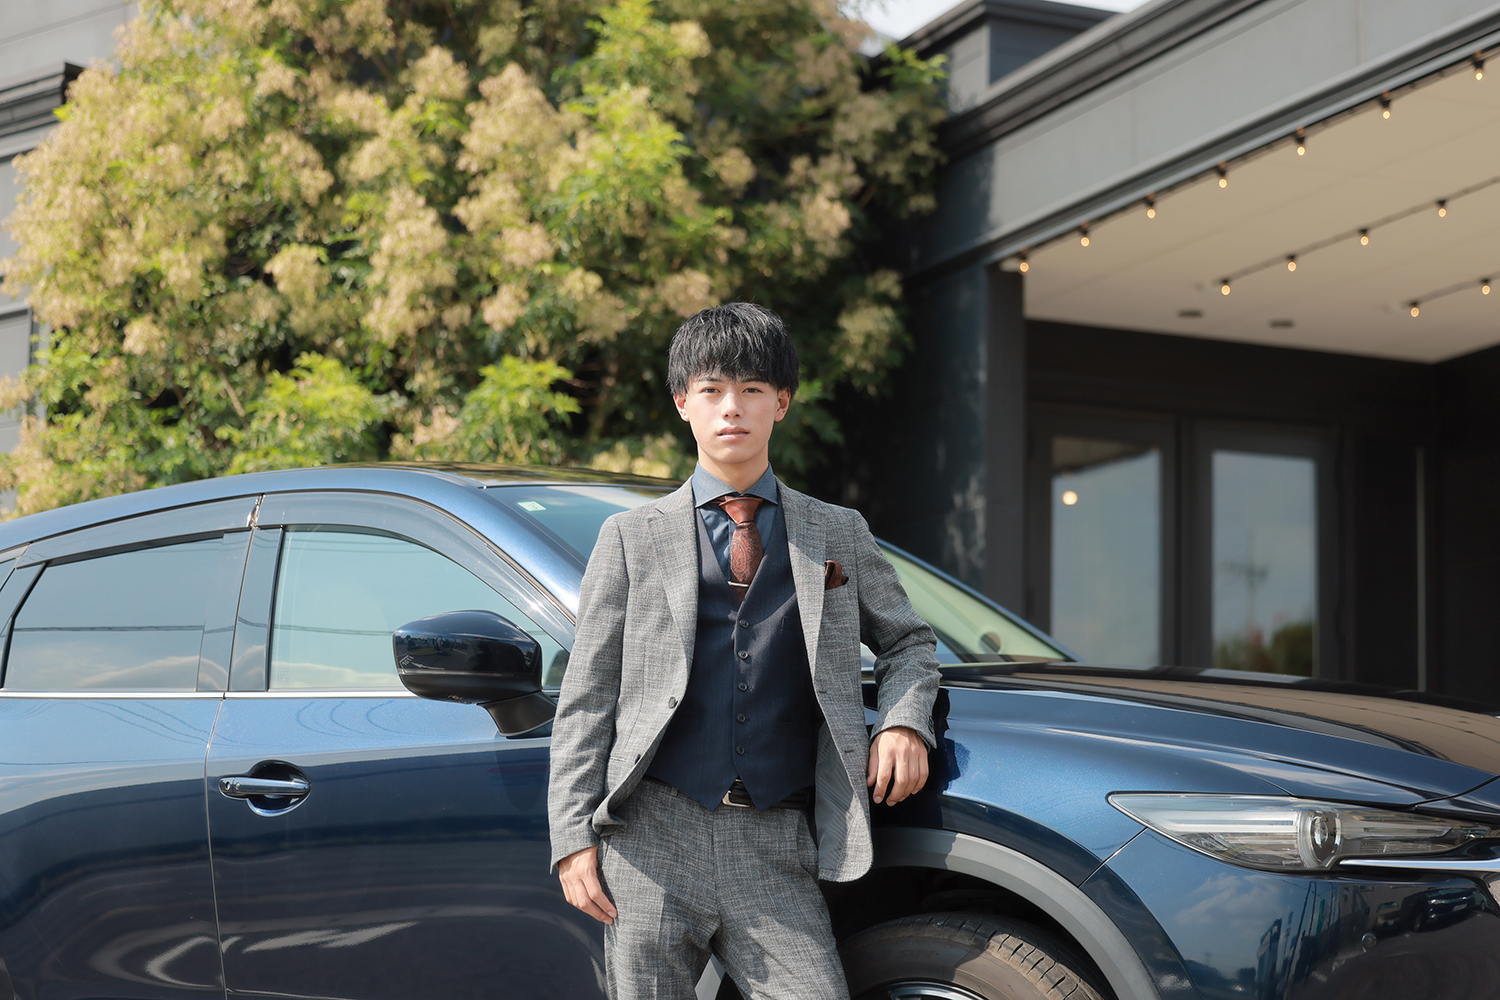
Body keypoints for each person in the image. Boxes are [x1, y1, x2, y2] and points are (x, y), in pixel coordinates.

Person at [548, 302, 941, 1000]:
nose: (732, 407)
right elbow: (588, 697)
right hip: (651, 835)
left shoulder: (837, 531)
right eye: (712, 389)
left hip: (776, 838)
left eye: (752, 389)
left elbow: (909, 641)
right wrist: (573, 837)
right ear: (683, 403)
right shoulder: (630, 537)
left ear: (781, 403)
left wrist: (904, 722)